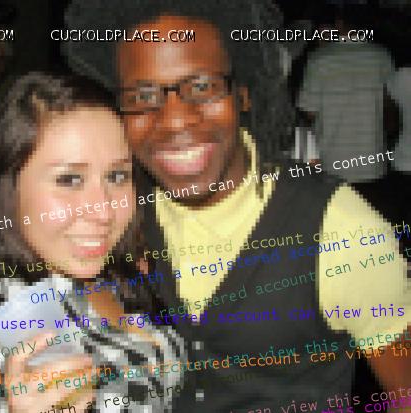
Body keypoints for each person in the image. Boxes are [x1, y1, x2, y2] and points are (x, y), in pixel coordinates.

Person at [63, 0, 411, 411]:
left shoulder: (342, 230)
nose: (175, 120)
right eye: (143, 96)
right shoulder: (119, 211)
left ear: (242, 95)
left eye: (201, 87)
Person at [0, 73, 185, 412]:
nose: (104, 211)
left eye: (117, 176)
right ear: (4, 190)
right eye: (69, 179)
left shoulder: (118, 274)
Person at [297, 6, 395, 183]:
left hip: (332, 163)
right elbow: (389, 106)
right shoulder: (382, 57)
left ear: (339, 24)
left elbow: (309, 113)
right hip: (372, 163)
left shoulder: (319, 59)